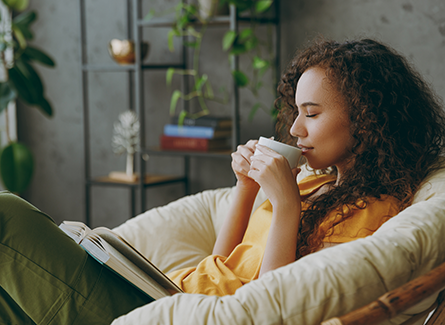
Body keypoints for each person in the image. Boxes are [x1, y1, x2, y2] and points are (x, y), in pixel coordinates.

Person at [1, 38, 444, 324]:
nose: (295, 130)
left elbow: (278, 305)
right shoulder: (313, 183)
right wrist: (247, 190)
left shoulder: (373, 212)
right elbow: (222, 262)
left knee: (9, 217)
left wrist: (285, 205)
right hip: (170, 296)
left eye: (311, 114)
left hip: (163, 315)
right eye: (297, 113)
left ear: (366, 119)